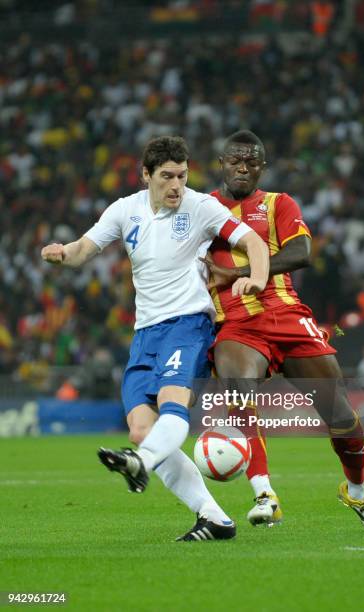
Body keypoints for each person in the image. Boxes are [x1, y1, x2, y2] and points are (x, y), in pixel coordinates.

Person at [41, 135, 269, 542]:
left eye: (181, 175)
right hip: (145, 333)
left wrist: (257, 276)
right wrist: (62, 253)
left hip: (188, 325)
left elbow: (251, 240)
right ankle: (214, 517)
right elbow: (82, 250)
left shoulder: (201, 206)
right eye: (166, 177)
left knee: (170, 404)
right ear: (146, 175)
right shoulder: (125, 210)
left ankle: (140, 464)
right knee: (142, 431)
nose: (176, 185)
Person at [205, 130, 364, 533]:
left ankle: (356, 491)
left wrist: (239, 272)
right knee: (239, 389)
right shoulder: (202, 209)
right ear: (221, 163)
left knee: (340, 414)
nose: (242, 166)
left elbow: (301, 253)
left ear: (262, 168)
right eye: (234, 159)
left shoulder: (278, 204)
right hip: (237, 323)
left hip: (288, 316)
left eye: (251, 161)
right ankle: (265, 495)